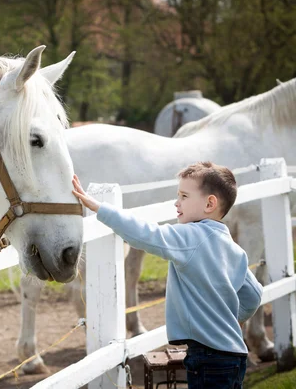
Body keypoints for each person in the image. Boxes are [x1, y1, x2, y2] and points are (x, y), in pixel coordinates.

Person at [72, 161, 263, 389]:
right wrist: (232, 319)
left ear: (210, 203)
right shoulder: (233, 248)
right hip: (234, 354)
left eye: (184, 196)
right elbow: (254, 295)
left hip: (207, 357)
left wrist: (99, 209)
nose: (177, 202)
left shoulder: (190, 236)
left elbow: (146, 234)